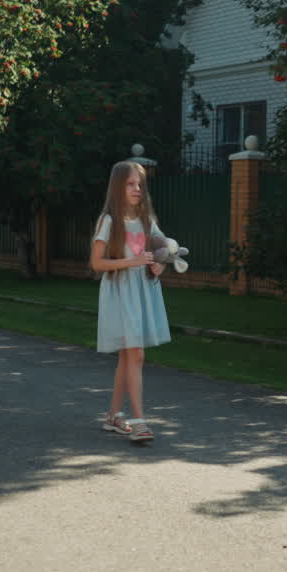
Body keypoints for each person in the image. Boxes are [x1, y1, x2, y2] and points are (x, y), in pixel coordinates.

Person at [89, 160, 171, 442]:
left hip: (142, 293)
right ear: (118, 187)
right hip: (120, 294)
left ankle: (113, 417)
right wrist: (133, 261)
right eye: (130, 184)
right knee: (135, 353)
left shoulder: (147, 221)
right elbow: (96, 263)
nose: (137, 189)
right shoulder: (109, 220)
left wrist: (161, 264)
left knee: (128, 355)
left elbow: (163, 247)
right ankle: (139, 421)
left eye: (140, 184)